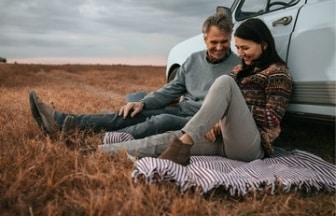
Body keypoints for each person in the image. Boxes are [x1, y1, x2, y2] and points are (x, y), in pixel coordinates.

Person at [100, 18, 293, 165]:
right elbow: (220, 102)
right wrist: (215, 119)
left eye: (245, 48)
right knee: (168, 140)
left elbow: (272, 119)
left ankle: (186, 139)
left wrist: (227, 114)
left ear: (264, 44)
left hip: (250, 146)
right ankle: (102, 150)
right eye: (238, 48)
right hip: (224, 138)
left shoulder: (277, 73)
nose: (240, 53)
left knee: (224, 82)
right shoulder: (240, 69)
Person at [29, 11, 240, 141]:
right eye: (214, 42)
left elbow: (238, 104)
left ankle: (102, 139)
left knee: (161, 120)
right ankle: (62, 120)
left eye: (224, 41)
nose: (219, 47)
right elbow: (172, 89)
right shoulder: (193, 60)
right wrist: (143, 103)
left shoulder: (238, 66)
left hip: (203, 119)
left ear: (230, 38)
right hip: (183, 109)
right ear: (205, 39)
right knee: (131, 113)